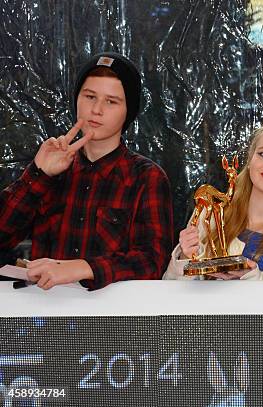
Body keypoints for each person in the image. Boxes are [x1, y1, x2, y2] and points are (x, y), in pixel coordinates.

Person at [0, 52, 174, 290]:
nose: (97, 110)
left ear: (128, 112)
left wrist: (82, 267)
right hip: (43, 316)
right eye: (90, 96)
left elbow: (154, 262)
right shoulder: (52, 170)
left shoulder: (146, 177)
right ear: (77, 99)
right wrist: (38, 174)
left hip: (112, 322)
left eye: (111, 101)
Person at [164, 115, 263, 281]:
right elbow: (168, 296)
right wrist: (184, 258)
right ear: (250, 160)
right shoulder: (210, 215)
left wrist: (251, 277)